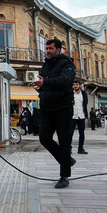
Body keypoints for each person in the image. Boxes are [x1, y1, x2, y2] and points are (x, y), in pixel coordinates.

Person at [31, 38, 76, 189]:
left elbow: (65, 80)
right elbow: (46, 83)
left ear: (59, 49)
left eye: (51, 48)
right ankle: (67, 160)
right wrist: (40, 88)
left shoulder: (66, 63)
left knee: (64, 142)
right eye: (47, 48)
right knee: (44, 138)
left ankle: (64, 176)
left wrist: (46, 83)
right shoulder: (46, 65)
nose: (48, 51)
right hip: (47, 108)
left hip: (63, 108)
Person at [70, 78, 88, 154]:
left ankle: (80, 148)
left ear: (80, 86)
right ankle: (69, 148)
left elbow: (85, 104)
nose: (75, 86)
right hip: (72, 116)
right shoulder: (70, 93)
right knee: (70, 133)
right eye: (74, 85)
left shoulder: (83, 94)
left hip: (81, 115)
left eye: (77, 85)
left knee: (82, 133)